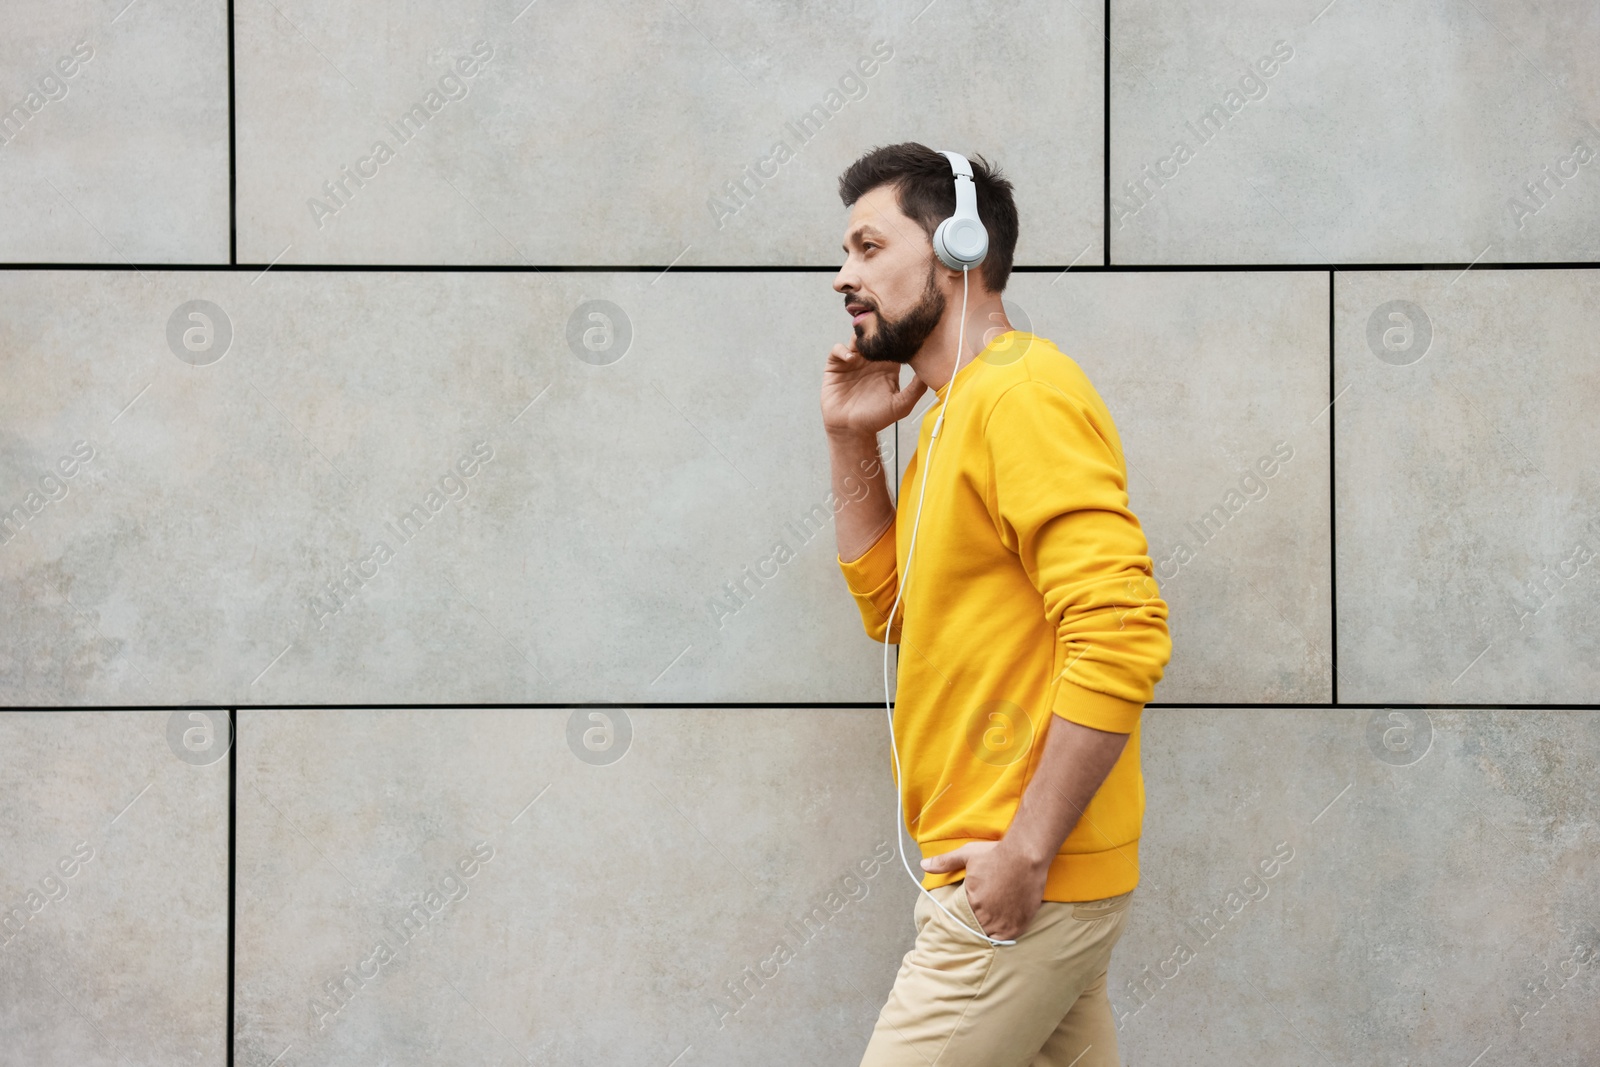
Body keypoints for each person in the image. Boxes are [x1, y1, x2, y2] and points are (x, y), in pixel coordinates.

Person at [821, 142, 1172, 1067]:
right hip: (1016, 875)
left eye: (867, 247)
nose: (841, 276)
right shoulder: (952, 412)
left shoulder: (1020, 394)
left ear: (960, 247)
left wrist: (1026, 849)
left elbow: (1122, 629)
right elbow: (893, 611)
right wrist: (852, 436)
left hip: (1022, 882)